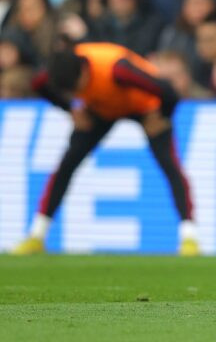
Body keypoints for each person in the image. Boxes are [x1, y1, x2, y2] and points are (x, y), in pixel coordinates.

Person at [12, 42, 199, 256]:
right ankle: (37, 236)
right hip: (100, 110)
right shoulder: (62, 70)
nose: (76, 93)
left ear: (83, 71)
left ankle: (189, 237)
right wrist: (70, 110)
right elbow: (38, 85)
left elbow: (167, 91)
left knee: (170, 167)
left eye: (76, 88)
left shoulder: (118, 70)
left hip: (143, 108)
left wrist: (161, 116)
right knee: (66, 166)